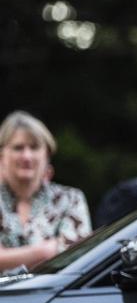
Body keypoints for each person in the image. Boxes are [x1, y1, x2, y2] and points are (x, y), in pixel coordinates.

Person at [0, 111, 92, 271]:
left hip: (53, 294)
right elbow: (61, 250)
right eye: (18, 148)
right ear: (2, 155)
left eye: (34, 147)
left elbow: (77, 258)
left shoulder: (70, 199)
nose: (26, 156)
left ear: (47, 154)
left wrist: (7, 257)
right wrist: (46, 250)